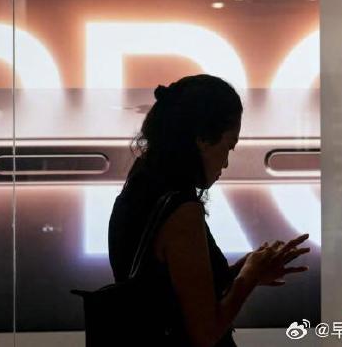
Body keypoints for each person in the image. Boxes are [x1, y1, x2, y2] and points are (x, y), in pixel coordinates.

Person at [108, 74, 310, 347]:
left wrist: (241, 271)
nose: (225, 163)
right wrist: (248, 277)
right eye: (228, 147)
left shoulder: (138, 191)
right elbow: (205, 333)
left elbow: (167, 290)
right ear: (203, 138)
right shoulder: (181, 212)